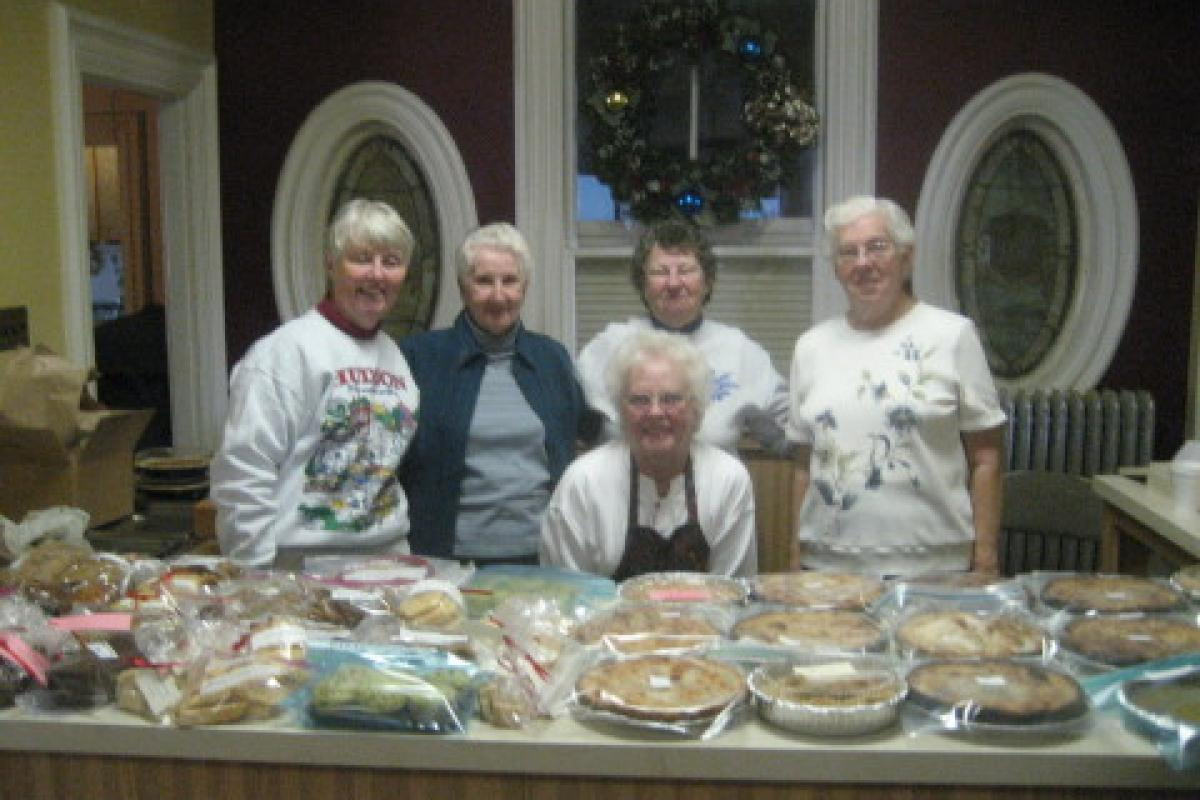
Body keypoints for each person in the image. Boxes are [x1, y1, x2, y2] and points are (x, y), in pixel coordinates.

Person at [787, 195, 1006, 577]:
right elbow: (804, 467)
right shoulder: (811, 348)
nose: (863, 263)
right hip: (826, 566)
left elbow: (986, 459)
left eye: (877, 247)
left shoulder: (953, 336)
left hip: (934, 568)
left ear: (906, 257)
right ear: (836, 269)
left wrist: (985, 561)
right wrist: (795, 556)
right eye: (848, 252)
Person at [211, 198, 420, 568]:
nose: (377, 274)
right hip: (298, 567)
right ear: (331, 264)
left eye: (391, 261)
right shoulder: (285, 352)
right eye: (362, 258)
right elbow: (244, 471)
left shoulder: (396, 360)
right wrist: (256, 574)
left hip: (387, 562)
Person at [398, 223, 588, 565]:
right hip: (448, 561)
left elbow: (583, 445)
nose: (499, 296)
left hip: (544, 557)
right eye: (484, 281)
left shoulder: (552, 360)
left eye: (510, 281)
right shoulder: (420, 359)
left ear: (525, 286)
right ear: (463, 287)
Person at [540, 329, 757, 579]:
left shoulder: (728, 480)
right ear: (620, 410)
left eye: (671, 399)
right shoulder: (583, 484)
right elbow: (567, 591)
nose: (655, 412)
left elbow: (733, 591)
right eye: (640, 400)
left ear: (696, 408)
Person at [576, 221, 789, 454]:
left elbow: (790, 433)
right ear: (643, 284)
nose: (674, 283)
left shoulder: (739, 350)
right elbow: (571, 423)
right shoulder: (610, 346)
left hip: (714, 477)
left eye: (686, 271)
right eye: (660, 272)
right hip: (624, 477)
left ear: (707, 282)